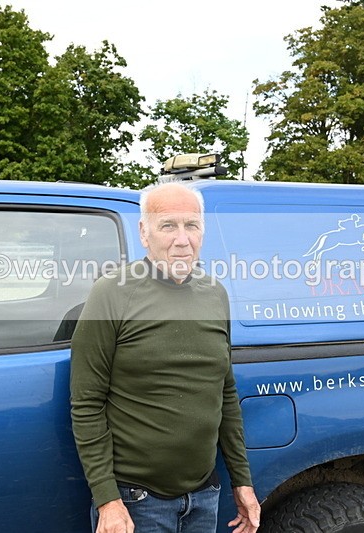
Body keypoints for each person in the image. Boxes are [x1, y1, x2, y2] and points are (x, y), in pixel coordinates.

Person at [70, 182, 260, 533]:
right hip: (136, 503)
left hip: (204, 497)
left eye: (192, 225)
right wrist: (107, 500)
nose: (182, 239)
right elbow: (87, 403)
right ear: (144, 232)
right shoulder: (112, 294)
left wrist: (242, 481)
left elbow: (225, 393)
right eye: (168, 225)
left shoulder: (215, 294)